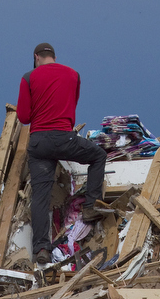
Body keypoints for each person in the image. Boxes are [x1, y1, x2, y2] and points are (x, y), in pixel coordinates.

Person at [16, 42, 108, 264]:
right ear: (53, 57)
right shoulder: (73, 75)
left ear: (36, 57)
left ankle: (41, 249)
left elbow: (24, 117)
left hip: (39, 142)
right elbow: (71, 108)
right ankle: (89, 208)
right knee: (98, 156)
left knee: (41, 196)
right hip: (64, 137)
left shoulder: (28, 78)